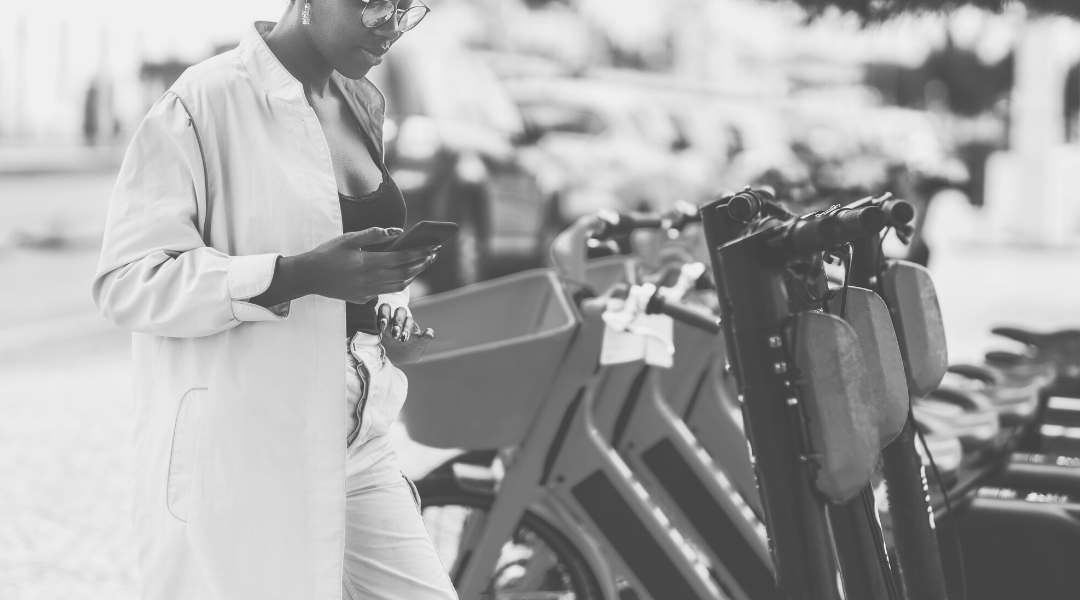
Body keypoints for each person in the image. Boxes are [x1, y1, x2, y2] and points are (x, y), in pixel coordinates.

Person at [91, 1, 458, 598]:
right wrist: (294, 276)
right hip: (251, 442)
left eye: (404, 7)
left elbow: (350, 255)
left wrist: (389, 317)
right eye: (372, 5)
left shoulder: (360, 102)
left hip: (360, 440)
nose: (391, 26)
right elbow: (129, 281)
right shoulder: (202, 103)